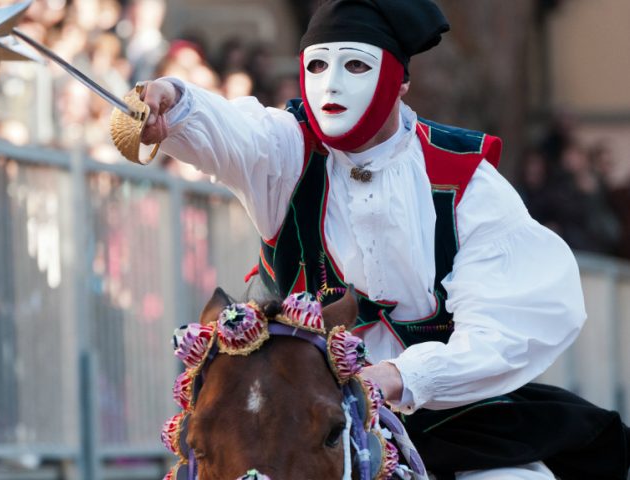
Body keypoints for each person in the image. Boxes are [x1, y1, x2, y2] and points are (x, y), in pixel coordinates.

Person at [137, 1, 629, 478]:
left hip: (449, 417)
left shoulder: (464, 182)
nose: (331, 84)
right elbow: (231, 129)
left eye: (355, 65)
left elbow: (508, 326)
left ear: (401, 81)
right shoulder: (287, 150)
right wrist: (176, 104)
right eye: (317, 66)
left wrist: (401, 377)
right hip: (302, 414)